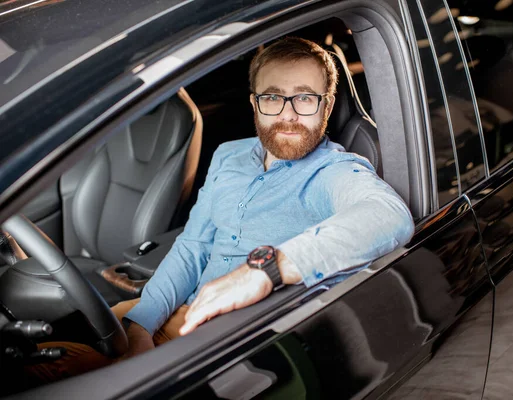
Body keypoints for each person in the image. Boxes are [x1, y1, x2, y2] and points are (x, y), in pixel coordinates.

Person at [29, 37, 414, 382]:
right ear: (255, 103)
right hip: (168, 304)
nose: (288, 114)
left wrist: (267, 269)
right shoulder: (228, 156)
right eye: (273, 97)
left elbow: (388, 215)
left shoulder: (332, 172)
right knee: (30, 357)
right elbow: (192, 246)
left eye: (306, 98)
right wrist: (143, 326)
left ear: (326, 106)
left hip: (222, 340)